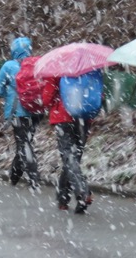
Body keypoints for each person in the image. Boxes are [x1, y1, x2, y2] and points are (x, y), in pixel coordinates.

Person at [42, 76, 95, 214]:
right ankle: (63, 199)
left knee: (69, 157)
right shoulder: (89, 69)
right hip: (84, 118)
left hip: (63, 117)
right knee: (73, 159)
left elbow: (46, 99)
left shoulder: (57, 69)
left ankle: (82, 192)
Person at [0, 36, 41, 191]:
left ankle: (34, 179)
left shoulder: (8, 66)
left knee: (23, 144)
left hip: (16, 112)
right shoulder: (37, 64)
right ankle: (14, 176)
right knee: (25, 142)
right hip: (35, 111)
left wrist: (9, 92)